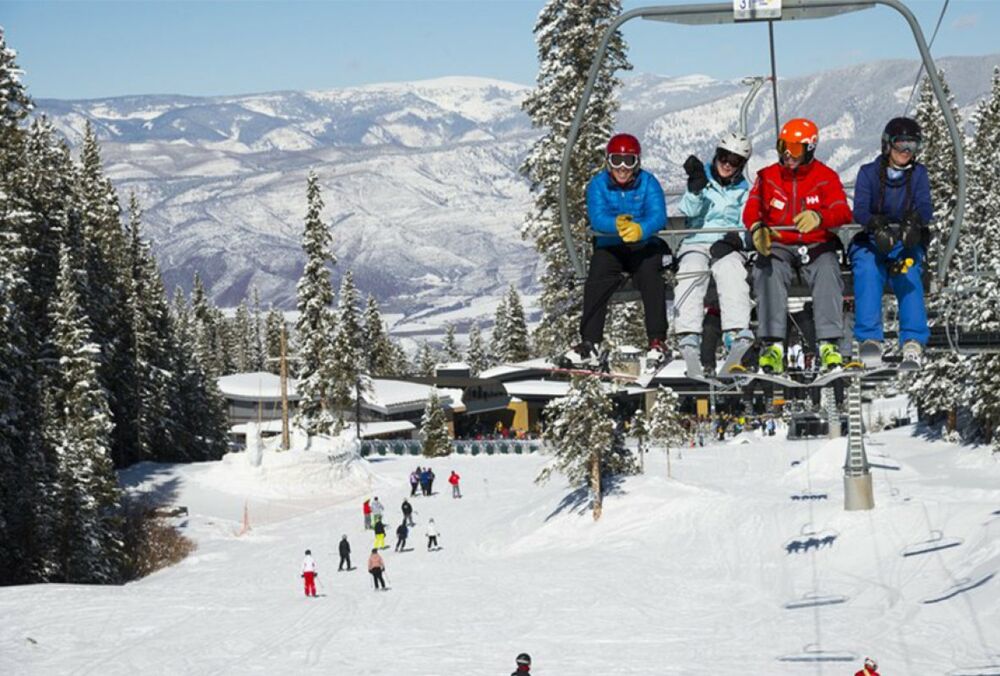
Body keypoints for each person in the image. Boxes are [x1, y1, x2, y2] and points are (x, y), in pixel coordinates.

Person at [743, 117, 853, 373]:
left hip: (815, 245)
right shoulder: (769, 177)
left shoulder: (824, 177)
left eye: (795, 149)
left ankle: (828, 343)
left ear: (809, 149)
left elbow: (842, 211)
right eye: (783, 147)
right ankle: (772, 344)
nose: (787, 155)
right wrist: (758, 227)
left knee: (828, 270)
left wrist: (820, 217)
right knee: (766, 269)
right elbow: (752, 207)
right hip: (780, 245)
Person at [562, 133, 669, 370]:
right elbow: (597, 216)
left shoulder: (648, 183)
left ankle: (657, 340)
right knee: (597, 278)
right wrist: (617, 226)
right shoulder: (598, 185)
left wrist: (641, 229)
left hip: (643, 246)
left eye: (628, 161)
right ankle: (590, 342)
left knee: (652, 277)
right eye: (617, 160)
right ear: (608, 162)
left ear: (637, 163)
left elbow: (658, 215)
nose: (622, 168)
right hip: (610, 246)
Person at [850, 117, 932, 367]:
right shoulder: (869, 173)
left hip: (903, 242)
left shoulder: (918, 175)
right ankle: (870, 338)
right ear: (887, 146)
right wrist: (875, 224)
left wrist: (916, 220)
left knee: (908, 274)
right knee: (867, 270)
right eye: (901, 145)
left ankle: (913, 340)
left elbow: (926, 205)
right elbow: (860, 209)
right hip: (872, 241)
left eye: (912, 146)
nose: (906, 152)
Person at [675, 132, 755, 375]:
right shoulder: (703, 179)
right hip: (697, 239)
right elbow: (686, 210)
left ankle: (736, 331)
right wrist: (695, 189)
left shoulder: (744, 190)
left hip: (725, 243)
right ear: (716, 155)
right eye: (724, 157)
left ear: (741, 165)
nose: (727, 164)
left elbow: (746, 222)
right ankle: (689, 334)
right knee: (691, 269)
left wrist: (736, 239)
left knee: (730, 270)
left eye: (735, 161)